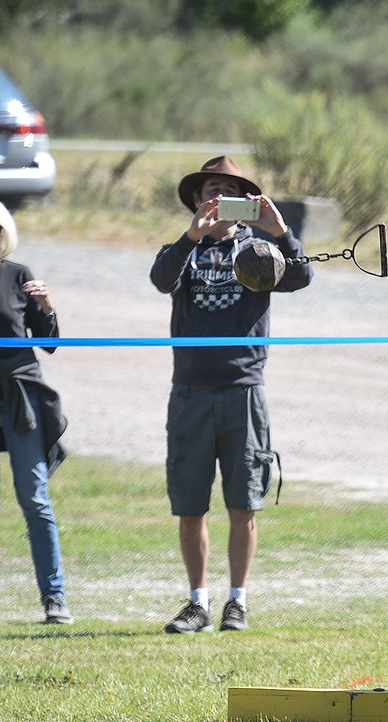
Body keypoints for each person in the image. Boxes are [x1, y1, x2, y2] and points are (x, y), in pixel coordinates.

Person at [150, 156, 313, 634]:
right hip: (190, 390)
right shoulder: (182, 250)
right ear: (197, 202)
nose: (216, 200)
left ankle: (236, 602)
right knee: (190, 504)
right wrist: (191, 237)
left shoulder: (260, 251)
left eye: (227, 192)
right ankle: (196, 602)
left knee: (243, 503)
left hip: (243, 388)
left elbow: (300, 277)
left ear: (245, 202)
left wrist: (280, 233)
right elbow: (162, 280)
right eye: (208, 192)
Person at [0, 196, 72, 625]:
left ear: (2, 235)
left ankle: (54, 599)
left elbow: (49, 342)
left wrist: (47, 308)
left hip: (21, 399)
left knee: (35, 500)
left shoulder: (19, 276)